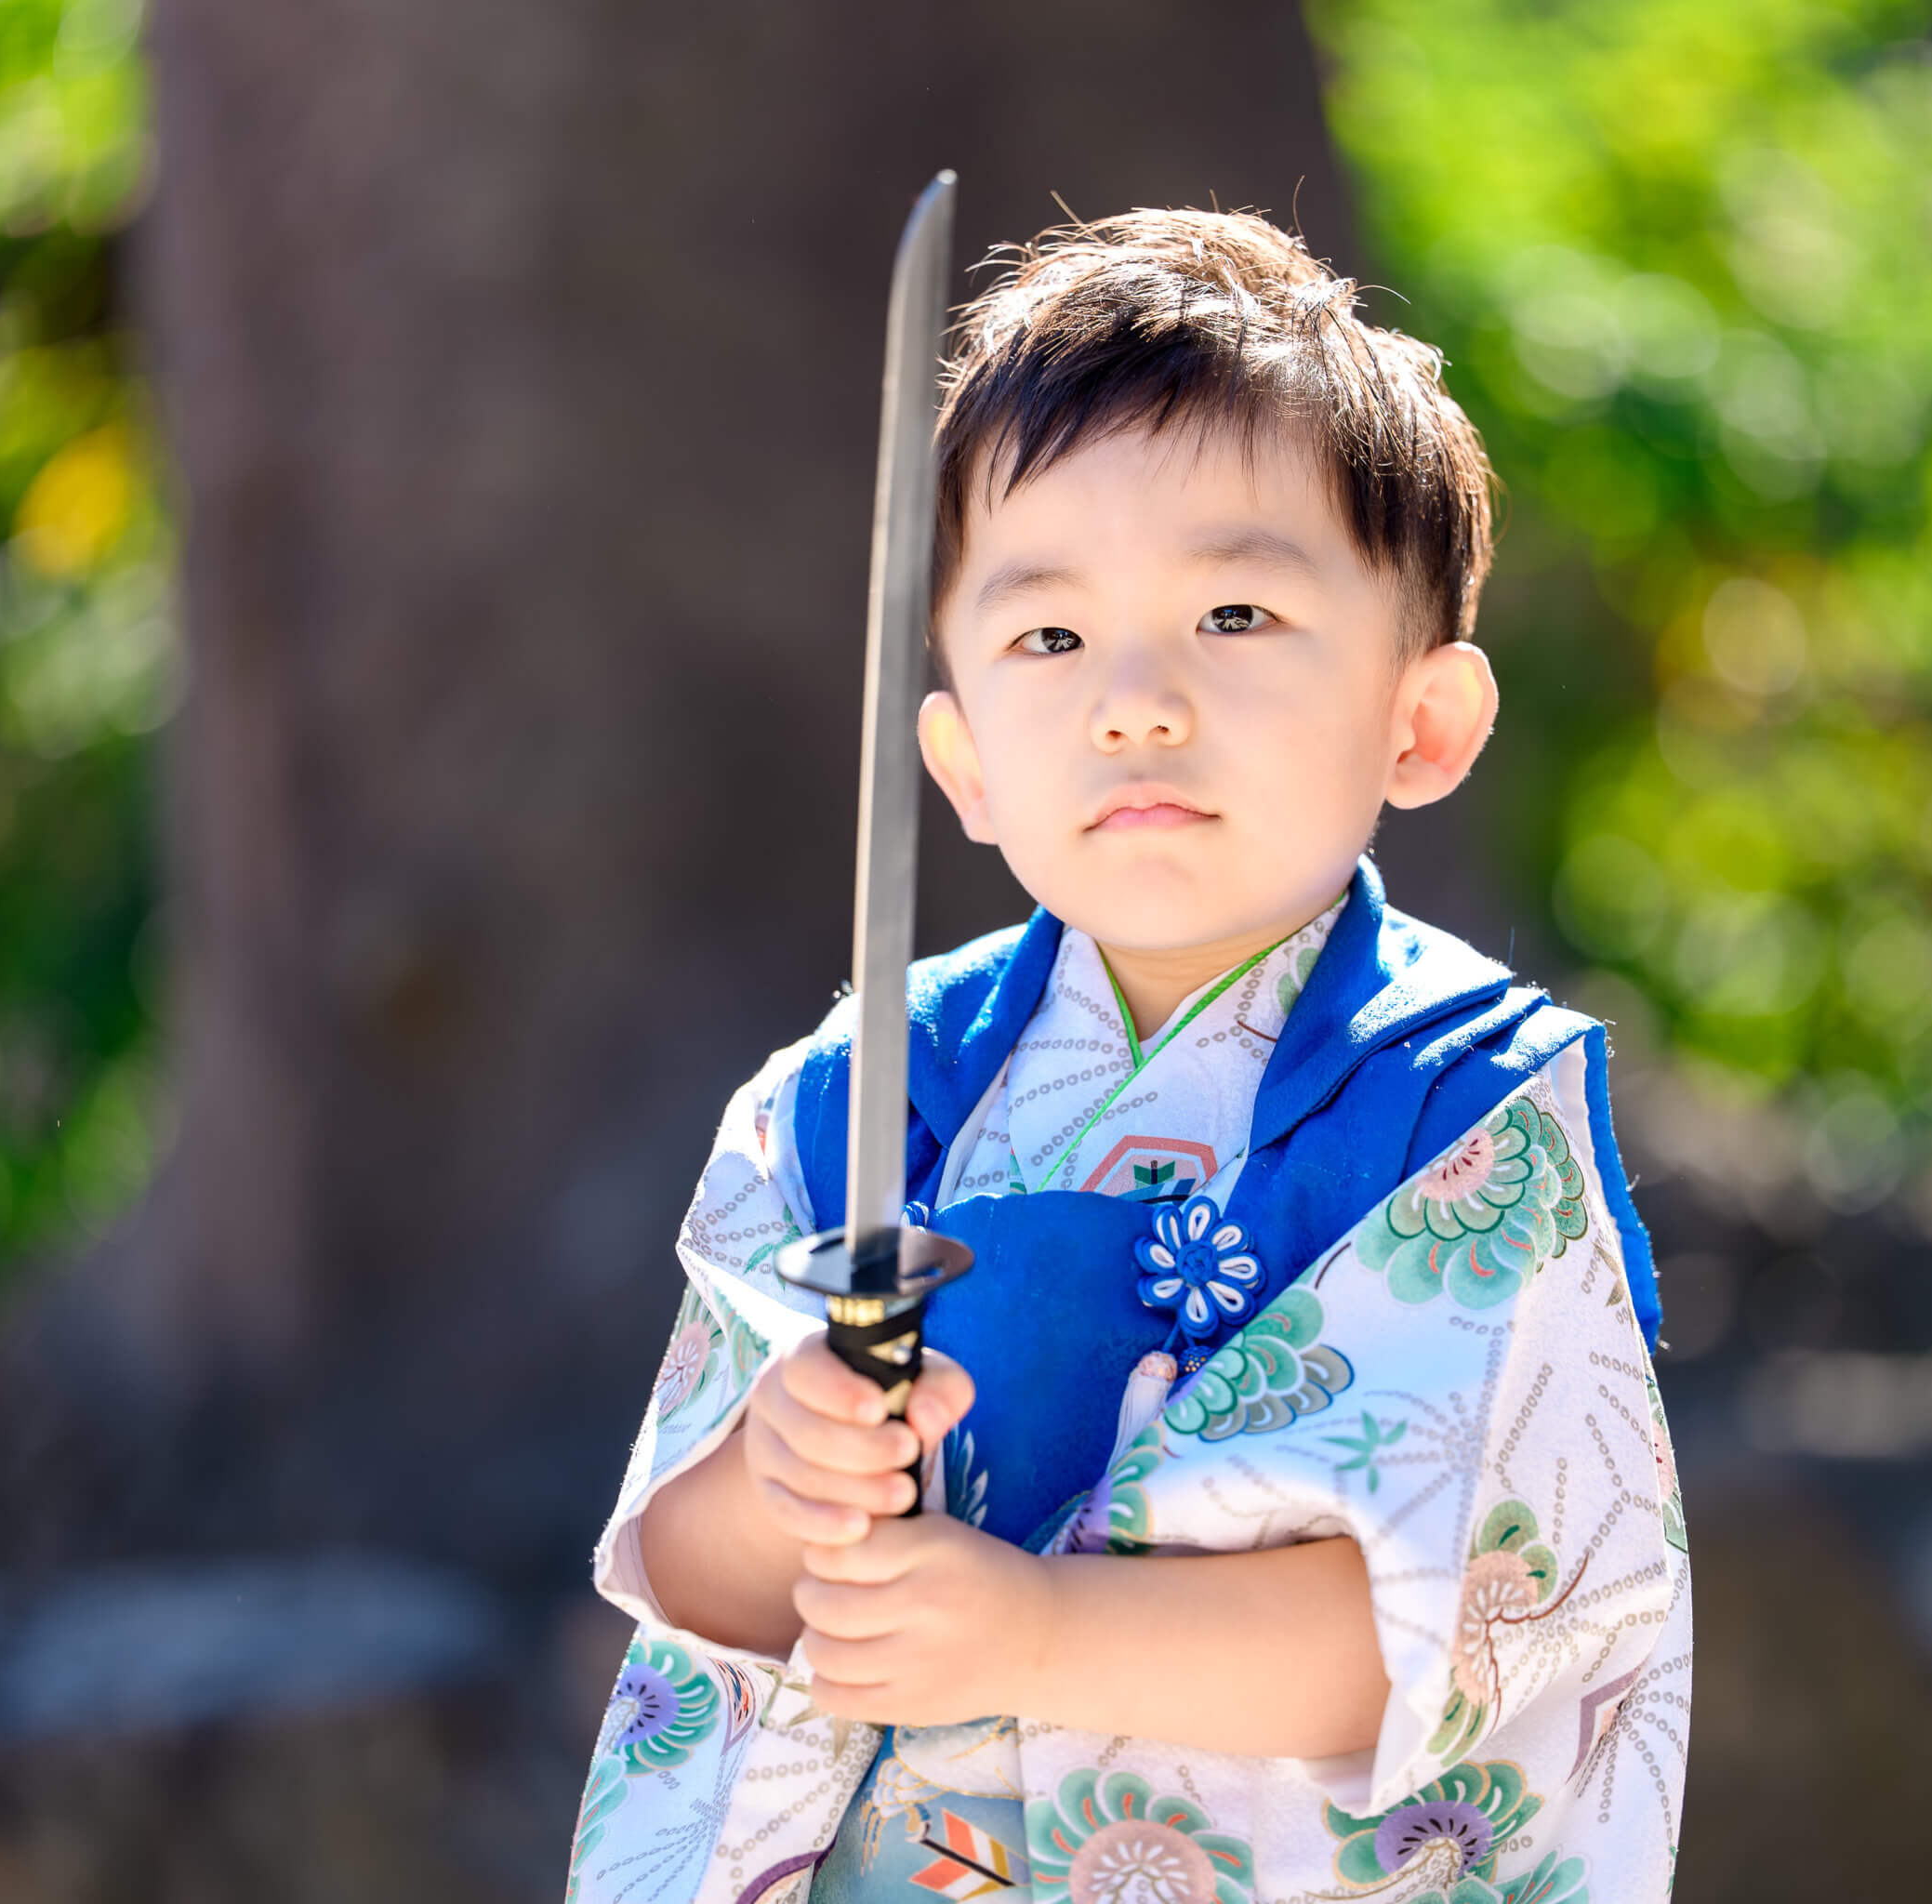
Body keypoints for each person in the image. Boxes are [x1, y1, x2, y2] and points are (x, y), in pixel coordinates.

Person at [566, 209, 1689, 1904]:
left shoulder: (1458, 1113)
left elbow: (1450, 1630)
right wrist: (779, 1484)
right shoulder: (862, 1097)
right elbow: (696, 1590)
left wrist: (1034, 1630)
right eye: (1048, 636)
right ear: (958, 761)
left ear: (1424, 721)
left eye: (1236, 614)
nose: (1136, 702)